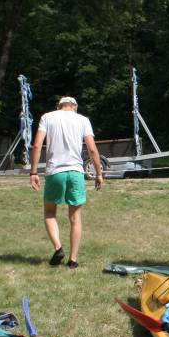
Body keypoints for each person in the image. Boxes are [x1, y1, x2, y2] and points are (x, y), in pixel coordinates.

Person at [29, 96, 103, 269]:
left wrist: (33, 172)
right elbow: (92, 149)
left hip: (55, 172)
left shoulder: (47, 117)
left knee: (49, 212)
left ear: (59, 106)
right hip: (76, 172)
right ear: (75, 107)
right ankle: (73, 260)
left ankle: (58, 248)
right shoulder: (83, 120)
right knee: (75, 218)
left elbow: (37, 146)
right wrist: (98, 173)